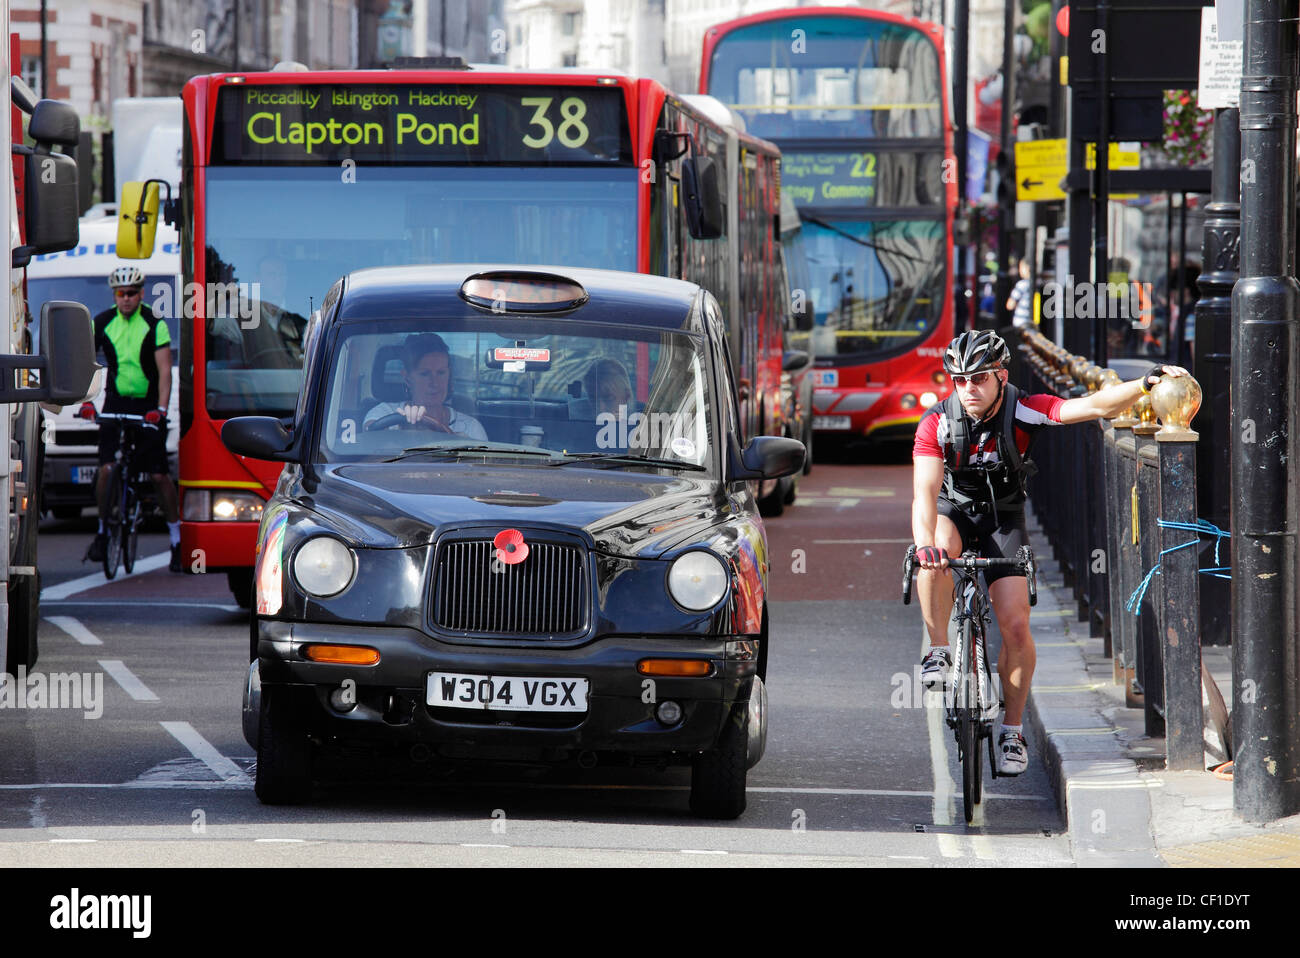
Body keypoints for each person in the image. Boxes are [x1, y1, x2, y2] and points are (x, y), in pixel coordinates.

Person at [911, 330, 1189, 775]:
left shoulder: (1024, 408)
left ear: (1001, 375)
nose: (968, 389)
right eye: (958, 379)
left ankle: (1012, 731)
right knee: (934, 552)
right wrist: (925, 546)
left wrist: (1145, 384)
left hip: (1004, 518)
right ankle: (939, 649)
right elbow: (924, 494)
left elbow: (1094, 407)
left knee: (1017, 625)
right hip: (954, 512)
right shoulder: (937, 423)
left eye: (979, 378)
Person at [84, 265, 183, 572]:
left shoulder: (154, 323)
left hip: (148, 406)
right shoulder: (101, 322)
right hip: (115, 402)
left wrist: (162, 409)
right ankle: (102, 531)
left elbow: (165, 370)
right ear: (115, 295)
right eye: (120, 293)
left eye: (131, 293)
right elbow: (86, 365)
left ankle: (176, 538)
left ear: (141, 293)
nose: (125, 299)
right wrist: (88, 403)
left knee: (158, 475)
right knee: (106, 470)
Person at [363, 332, 487, 439]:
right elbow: (369, 439)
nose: (435, 382)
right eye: (425, 374)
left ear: (449, 375)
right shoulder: (386, 414)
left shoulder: (470, 428)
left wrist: (461, 443)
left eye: (441, 373)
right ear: (407, 378)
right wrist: (403, 433)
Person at [1006, 258, 1033, 329]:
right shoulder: (1038, 283)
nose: (1019, 270)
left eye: (1021, 267)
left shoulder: (1022, 285)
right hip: (1033, 324)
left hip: (1021, 323)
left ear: (1027, 268)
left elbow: (1010, 305)